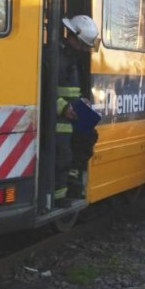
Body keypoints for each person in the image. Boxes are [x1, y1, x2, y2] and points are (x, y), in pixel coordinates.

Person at [55, 15, 98, 205]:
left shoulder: (69, 58)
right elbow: (43, 90)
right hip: (57, 117)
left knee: (89, 135)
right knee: (63, 153)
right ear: (74, 38)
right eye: (82, 45)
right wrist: (63, 107)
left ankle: (72, 179)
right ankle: (58, 197)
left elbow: (71, 88)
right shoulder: (56, 57)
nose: (83, 49)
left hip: (72, 112)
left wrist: (83, 102)